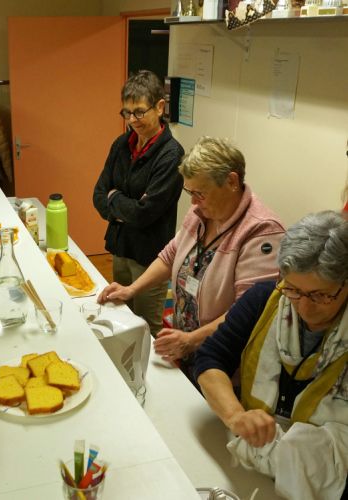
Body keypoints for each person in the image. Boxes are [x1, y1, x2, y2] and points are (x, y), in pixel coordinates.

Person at [98, 137, 285, 380]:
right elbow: (170, 256)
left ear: (231, 181)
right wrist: (131, 289)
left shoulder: (262, 232)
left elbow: (247, 312)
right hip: (188, 346)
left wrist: (192, 340)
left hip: (224, 360)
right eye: (189, 192)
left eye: (200, 193)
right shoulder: (201, 212)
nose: (194, 202)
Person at [194, 211, 348, 500]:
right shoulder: (266, 298)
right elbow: (210, 358)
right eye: (294, 290)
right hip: (253, 459)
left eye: (320, 295)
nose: (304, 308)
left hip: (327, 481)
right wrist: (236, 416)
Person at [93, 70, 185, 336]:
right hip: (121, 247)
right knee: (122, 316)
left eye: (139, 112)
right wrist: (124, 205)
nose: (132, 120)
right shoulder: (121, 144)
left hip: (150, 257)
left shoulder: (171, 155)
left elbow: (145, 214)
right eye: (127, 112)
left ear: (160, 107)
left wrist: (115, 198)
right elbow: (98, 195)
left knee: (147, 326)